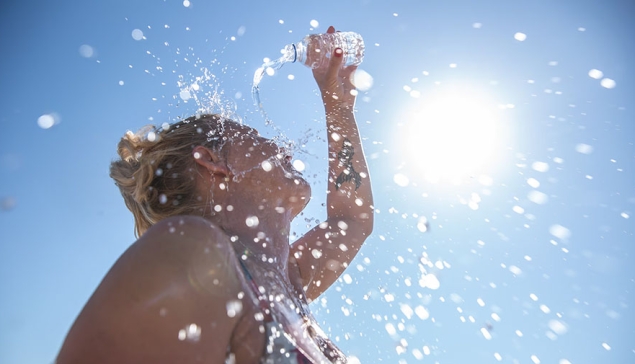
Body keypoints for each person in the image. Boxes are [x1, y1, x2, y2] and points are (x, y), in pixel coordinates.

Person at [56, 26, 373, 364]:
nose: (282, 147)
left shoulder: (286, 280)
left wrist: (338, 108)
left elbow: (352, 220)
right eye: (252, 135)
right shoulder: (196, 255)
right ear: (212, 161)